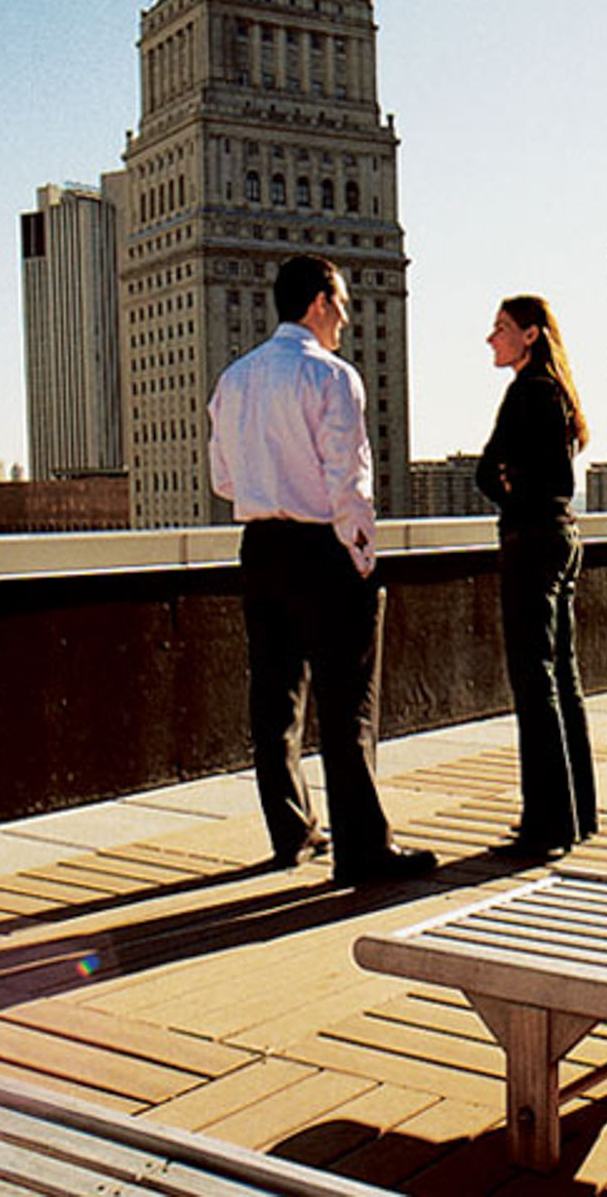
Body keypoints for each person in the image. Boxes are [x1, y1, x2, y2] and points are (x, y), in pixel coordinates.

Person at [207, 254, 437, 887]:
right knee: (346, 704)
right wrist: (361, 558)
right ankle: (362, 849)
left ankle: (292, 832)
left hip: (259, 548)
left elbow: (223, 479)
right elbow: (348, 481)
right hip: (320, 550)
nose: (346, 314)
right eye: (340, 301)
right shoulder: (331, 376)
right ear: (317, 303)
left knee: (273, 697)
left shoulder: (234, 379)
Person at [478, 296, 598, 858]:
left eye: (501, 329)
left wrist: (506, 482)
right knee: (563, 680)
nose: (491, 338)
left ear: (530, 334)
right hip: (562, 537)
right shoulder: (558, 392)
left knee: (536, 683)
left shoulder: (527, 391)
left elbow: (488, 469)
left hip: (531, 540)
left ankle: (545, 825)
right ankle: (576, 815)